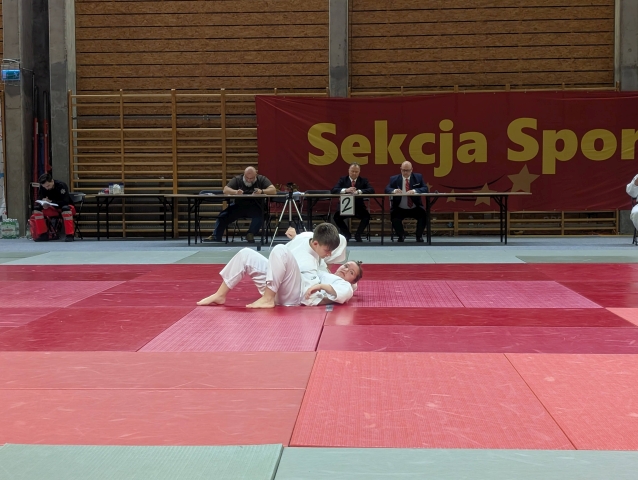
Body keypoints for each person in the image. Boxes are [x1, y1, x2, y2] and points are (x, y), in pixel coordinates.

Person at [197, 223, 362, 308]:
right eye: (327, 250)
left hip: (293, 295)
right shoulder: (305, 239)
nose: (329, 255)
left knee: (280, 250)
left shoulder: (325, 271)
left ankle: (267, 299)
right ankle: (220, 295)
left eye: (351, 272)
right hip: (275, 283)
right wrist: (295, 236)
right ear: (315, 243)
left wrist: (321, 287)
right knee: (246, 253)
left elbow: (346, 289)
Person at [206, 166, 277, 243]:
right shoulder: (237, 179)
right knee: (223, 215)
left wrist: (262, 191)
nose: (249, 180)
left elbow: (273, 190)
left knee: (261, 216)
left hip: (256, 206)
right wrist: (235, 192)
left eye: (251, 178)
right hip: (239, 206)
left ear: (256, 175)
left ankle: (250, 234)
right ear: (244, 174)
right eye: (247, 178)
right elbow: (225, 190)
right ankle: (216, 235)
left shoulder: (262, 179)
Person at [384, 161, 428, 242]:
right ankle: (401, 235)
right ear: (400, 169)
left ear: (411, 170)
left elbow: (425, 188)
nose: (405, 172)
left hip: (415, 207)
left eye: (407, 170)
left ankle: (419, 236)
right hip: (400, 207)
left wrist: (414, 191)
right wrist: (394, 191)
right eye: (403, 170)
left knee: (423, 215)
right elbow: (387, 189)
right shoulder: (394, 179)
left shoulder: (418, 177)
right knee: (394, 216)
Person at [331, 162, 375, 242]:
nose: (354, 173)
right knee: (336, 217)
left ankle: (358, 234)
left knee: (366, 217)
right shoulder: (343, 179)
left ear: (359, 172)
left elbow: (371, 190)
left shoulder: (363, 180)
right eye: (352, 171)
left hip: (358, 207)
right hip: (345, 207)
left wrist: (359, 191)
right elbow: (333, 190)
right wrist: (346, 190)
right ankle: (347, 234)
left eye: (356, 171)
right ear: (348, 171)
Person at [30, 173, 76, 242]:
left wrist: (51, 201)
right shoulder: (43, 188)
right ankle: (43, 234)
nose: (47, 188)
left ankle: (70, 235)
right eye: (45, 187)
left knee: (66, 209)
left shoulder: (61, 185)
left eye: (48, 186)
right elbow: (40, 199)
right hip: (52, 208)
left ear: (52, 181)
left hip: (65, 207)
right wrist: (43, 204)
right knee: (37, 210)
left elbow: (65, 201)